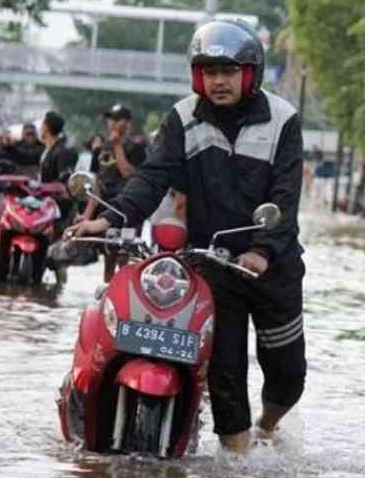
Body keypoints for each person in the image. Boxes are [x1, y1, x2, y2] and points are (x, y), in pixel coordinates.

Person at [68, 20, 306, 454]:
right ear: (198, 75)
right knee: (226, 372)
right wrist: (109, 219)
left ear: (249, 73)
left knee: (288, 373)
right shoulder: (181, 118)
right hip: (213, 263)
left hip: (273, 264)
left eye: (228, 72)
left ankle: (268, 427)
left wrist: (262, 251)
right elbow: (152, 176)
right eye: (209, 72)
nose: (218, 81)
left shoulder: (283, 120)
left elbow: (286, 197)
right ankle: (236, 459)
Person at [75, 104, 146, 282]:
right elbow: (96, 183)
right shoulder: (100, 149)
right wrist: (86, 215)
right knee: (108, 254)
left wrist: (118, 146)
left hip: (129, 208)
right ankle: (107, 293)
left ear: (127, 123)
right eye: (110, 119)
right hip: (107, 208)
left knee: (124, 253)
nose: (113, 123)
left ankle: (123, 290)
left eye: (117, 119)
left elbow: (128, 174)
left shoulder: (137, 149)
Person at [38, 111, 78, 185]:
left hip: (53, 196)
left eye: (41, 125)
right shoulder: (48, 149)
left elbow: (64, 182)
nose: (39, 129)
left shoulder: (63, 152)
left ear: (45, 128)